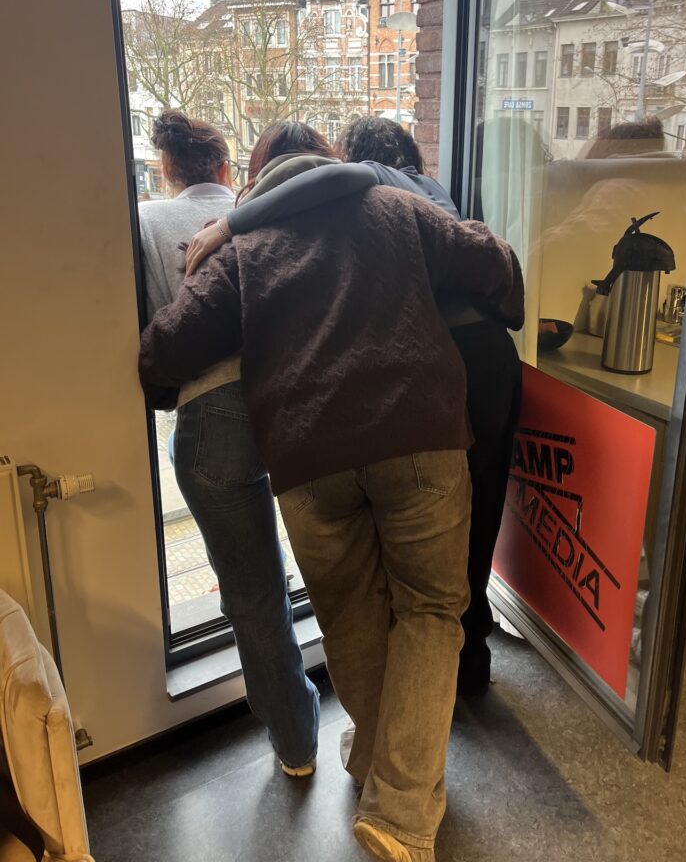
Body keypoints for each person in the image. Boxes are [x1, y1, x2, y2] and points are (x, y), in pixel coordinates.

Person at [139, 167, 524, 862]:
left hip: (307, 457)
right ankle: (402, 813)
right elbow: (488, 257)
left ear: (258, 193)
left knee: (349, 613)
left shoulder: (244, 246)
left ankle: (373, 759)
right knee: (430, 609)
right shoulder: (397, 208)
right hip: (419, 433)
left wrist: (163, 387)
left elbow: (167, 345)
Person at [184, 116, 523, 695]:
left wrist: (233, 222)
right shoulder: (429, 188)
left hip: (433, 367)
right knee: (474, 519)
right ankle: (469, 666)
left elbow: (325, 184)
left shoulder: (368, 180)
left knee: (399, 573)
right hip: (490, 354)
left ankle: (413, 699)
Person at [138, 109, 320, 778]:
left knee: (251, 590)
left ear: (167, 170)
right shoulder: (264, 209)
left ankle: (296, 745)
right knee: (340, 563)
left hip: (211, 411)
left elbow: (153, 330)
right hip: (297, 397)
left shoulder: (146, 222)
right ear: (226, 167)